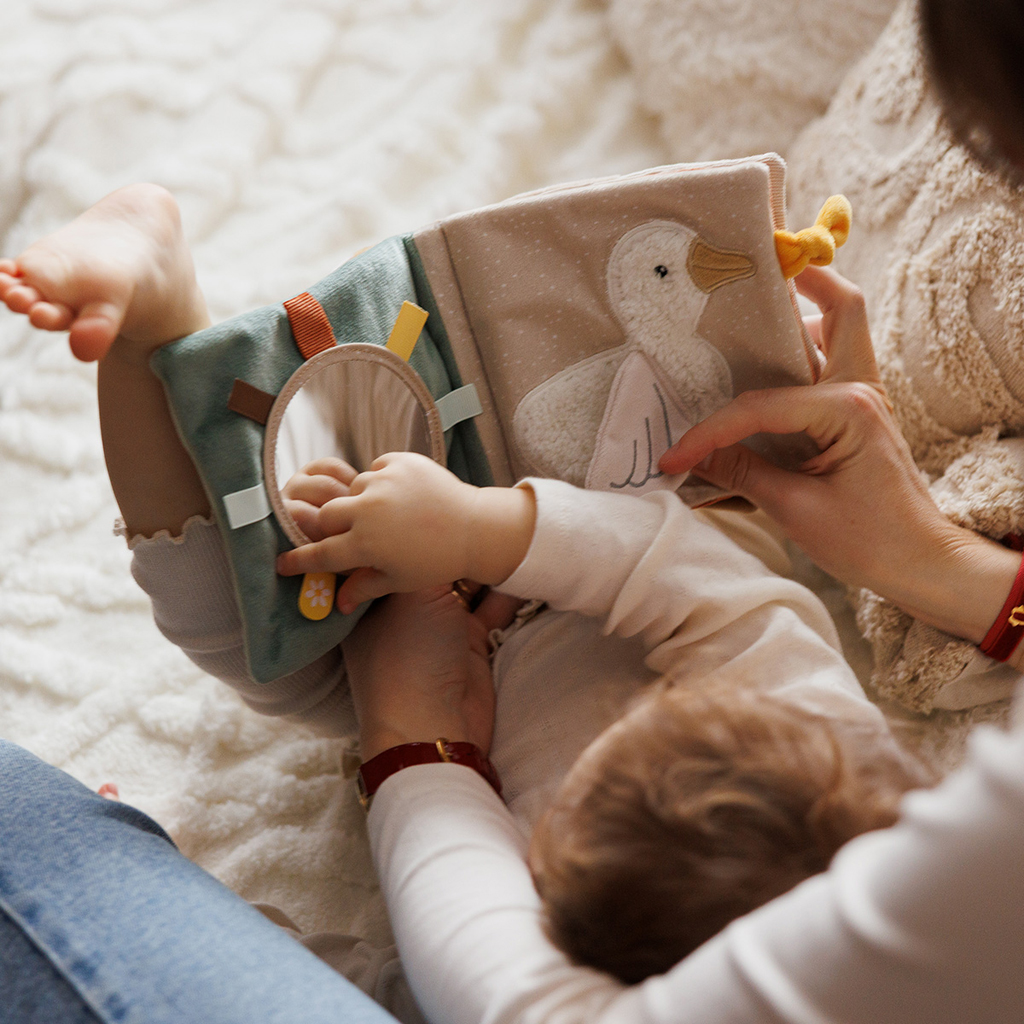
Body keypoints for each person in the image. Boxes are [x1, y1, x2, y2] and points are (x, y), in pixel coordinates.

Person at [0, 181, 917, 988]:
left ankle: (149, 327)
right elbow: (682, 574)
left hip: (426, 692)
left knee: (247, 631)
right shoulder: (827, 750)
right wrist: (481, 530)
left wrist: (176, 907)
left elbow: (390, 980)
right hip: (606, 515)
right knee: (516, 388)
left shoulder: (554, 954)